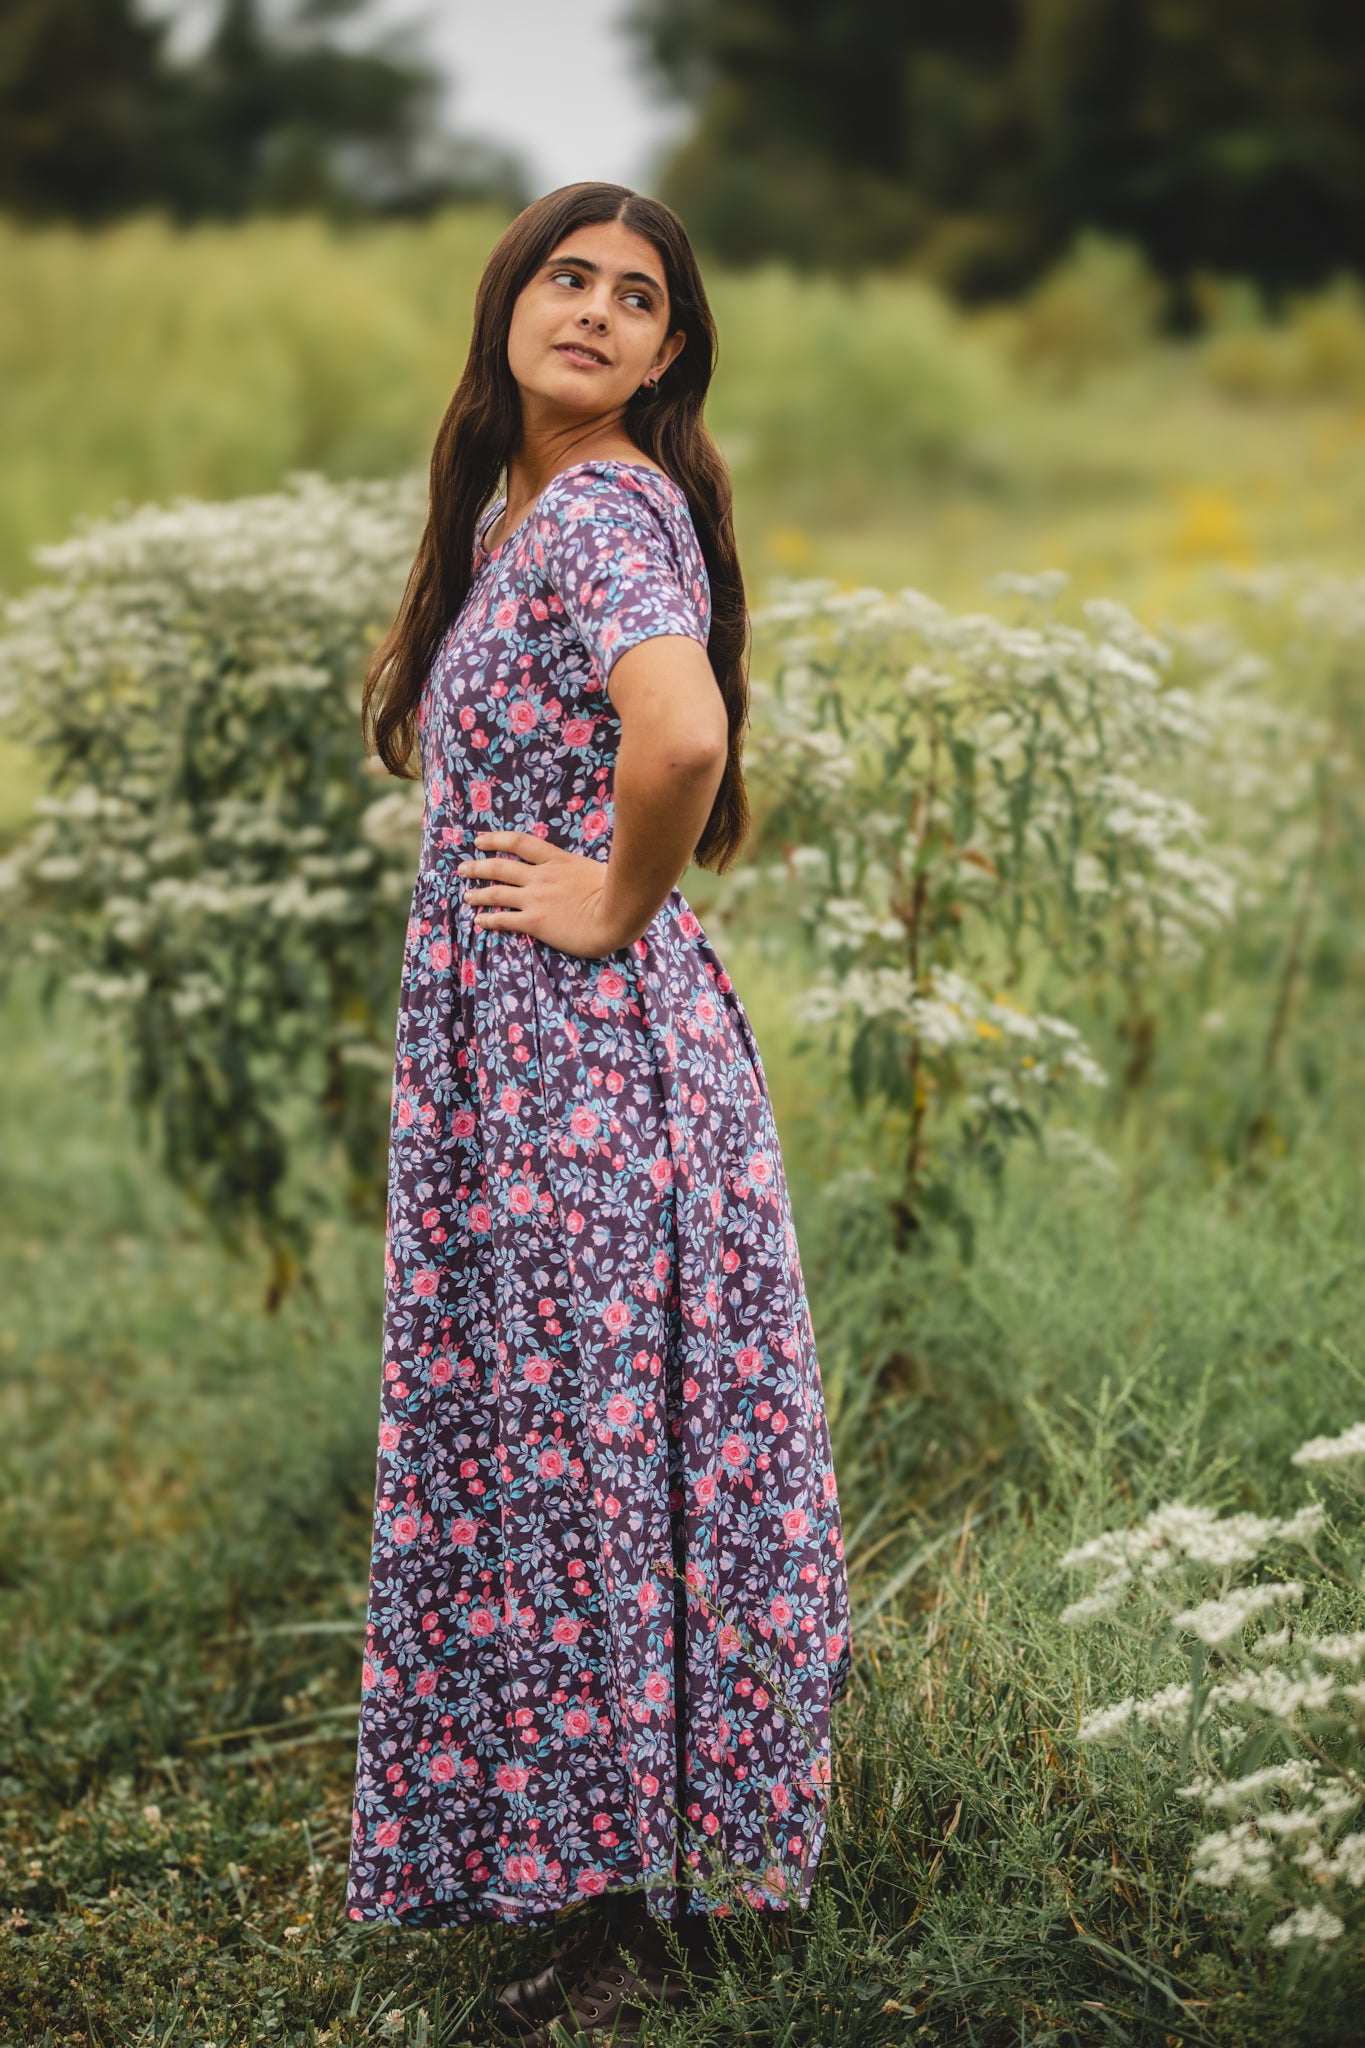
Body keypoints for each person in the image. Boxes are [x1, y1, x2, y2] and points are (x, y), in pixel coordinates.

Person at [344, 181, 850, 2042]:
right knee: (576, 1459)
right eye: (567, 276)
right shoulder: (515, 515)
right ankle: (594, 1866)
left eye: (637, 299)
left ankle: (629, 1924)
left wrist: (617, 896)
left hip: (583, 1072)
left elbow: (685, 736)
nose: (595, 311)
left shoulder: (610, 512)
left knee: (590, 1470)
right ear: (509, 305)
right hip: (535, 1069)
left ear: (667, 356)